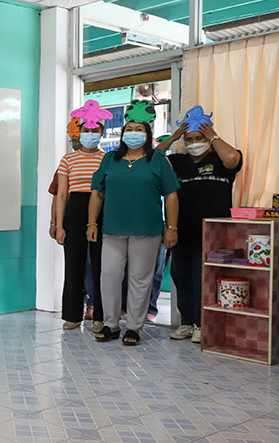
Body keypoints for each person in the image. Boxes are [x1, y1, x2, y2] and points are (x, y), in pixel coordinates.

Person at [88, 100, 180, 346]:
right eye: (129, 129)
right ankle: (111, 324)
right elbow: (97, 193)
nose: (133, 133)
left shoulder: (157, 160)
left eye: (139, 129)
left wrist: (171, 228)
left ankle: (134, 327)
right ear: (122, 134)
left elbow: (171, 194)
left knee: (140, 278)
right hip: (112, 230)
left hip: (147, 231)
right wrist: (91, 223)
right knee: (109, 275)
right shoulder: (110, 159)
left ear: (148, 134)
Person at [156, 107, 242, 343]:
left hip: (214, 233)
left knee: (205, 278)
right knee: (182, 276)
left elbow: (233, 159)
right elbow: (151, 159)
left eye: (199, 138)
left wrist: (213, 137)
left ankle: (204, 324)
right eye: (190, 139)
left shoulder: (220, 160)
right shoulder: (178, 162)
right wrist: (174, 137)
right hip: (182, 230)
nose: (194, 143)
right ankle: (187, 322)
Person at [56, 106, 107, 332]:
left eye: (94, 131)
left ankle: (100, 316)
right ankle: (72, 315)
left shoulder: (108, 159)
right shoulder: (67, 159)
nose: (90, 134)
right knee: (73, 264)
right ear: (80, 133)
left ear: (101, 133)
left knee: (100, 265)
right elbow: (61, 194)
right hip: (74, 210)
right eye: (86, 130)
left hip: (101, 209)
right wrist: (59, 225)